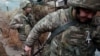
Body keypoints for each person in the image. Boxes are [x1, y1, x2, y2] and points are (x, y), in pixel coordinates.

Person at [24, 0, 100, 56]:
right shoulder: (59, 17)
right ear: (76, 7)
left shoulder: (96, 23)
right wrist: (28, 45)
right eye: (87, 12)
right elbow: (38, 28)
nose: (90, 16)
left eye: (94, 13)